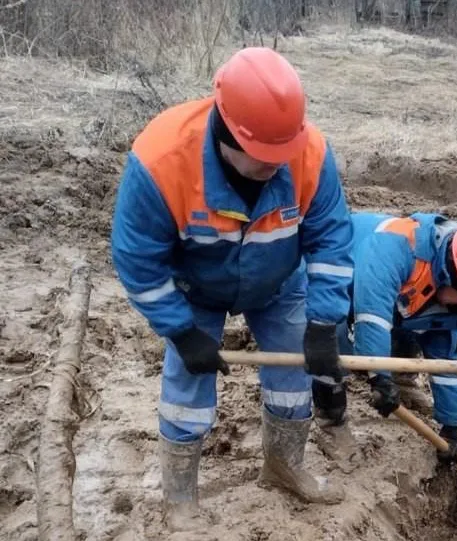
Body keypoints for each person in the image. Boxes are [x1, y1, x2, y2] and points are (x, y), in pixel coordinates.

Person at [110, 47, 354, 530]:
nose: (275, 166)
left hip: (279, 282)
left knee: (292, 383)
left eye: (282, 154)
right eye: (263, 156)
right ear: (227, 129)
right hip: (194, 288)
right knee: (186, 388)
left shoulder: (310, 154)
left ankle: (285, 466)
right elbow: (137, 262)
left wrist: (325, 323)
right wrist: (180, 332)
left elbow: (331, 241)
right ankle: (180, 498)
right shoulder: (161, 161)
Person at [312, 211, 457, 466]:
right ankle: (331, 420)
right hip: (332, 272)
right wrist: (378, 377)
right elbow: (371, 317)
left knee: (418, 319)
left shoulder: (448, 282)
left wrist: (452, 427)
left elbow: (447, 362)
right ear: (453, 275)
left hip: (383, 291)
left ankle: (401, 380)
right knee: (330, 334)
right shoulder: (393, 247)